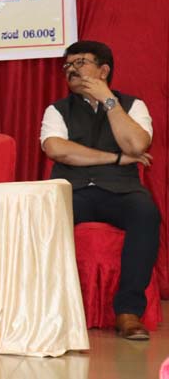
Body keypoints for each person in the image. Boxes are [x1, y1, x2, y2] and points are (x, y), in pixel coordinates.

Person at [40, 40, 157, 340]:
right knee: (42, 216)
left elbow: (136, 144)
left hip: (121, 192)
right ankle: (49, 310)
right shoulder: (57, 110)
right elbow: (58, 150)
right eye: (68, 65)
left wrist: (108, 100)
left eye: (80, 63)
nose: (71, 70)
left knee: (146, 213)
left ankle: (128, 312)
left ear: (103, 70)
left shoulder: (133, 106)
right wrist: (116, 158)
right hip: (72, 191)